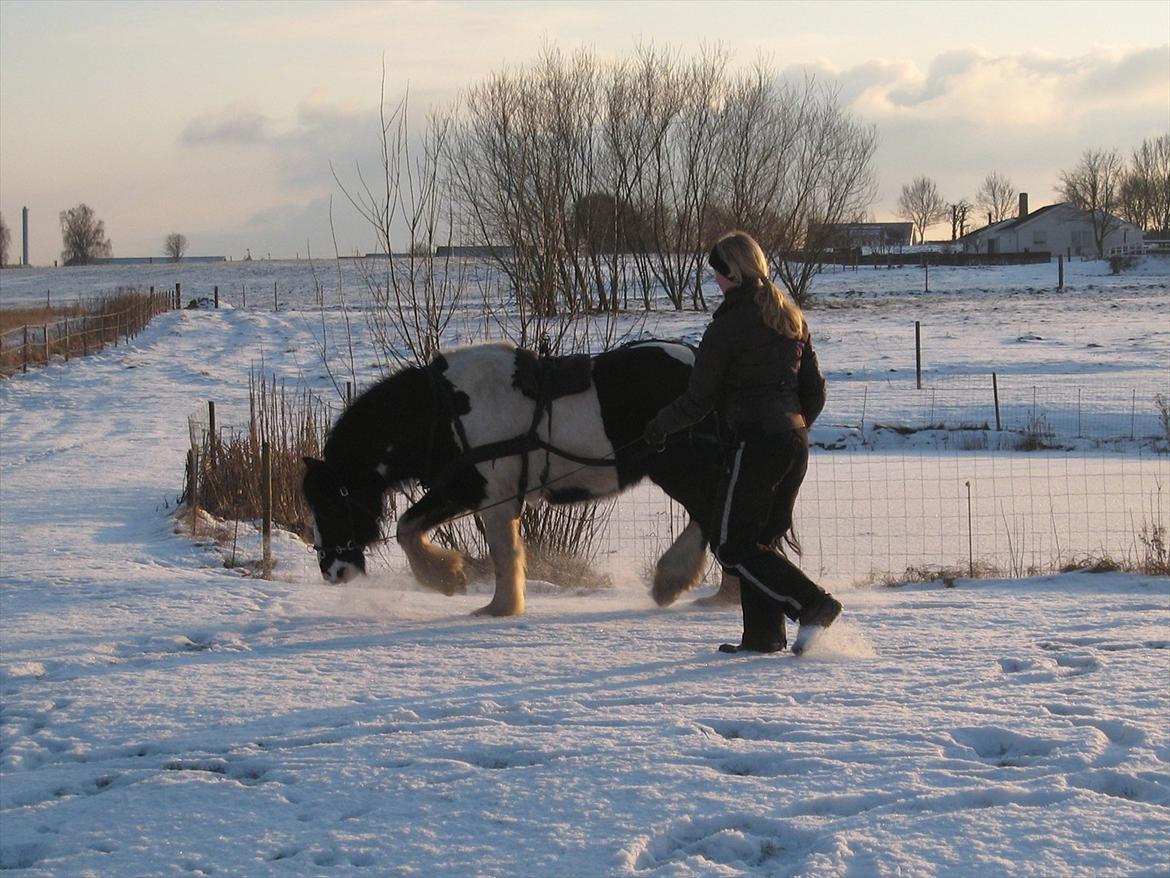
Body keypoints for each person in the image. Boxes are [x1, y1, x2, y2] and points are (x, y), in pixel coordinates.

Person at [643, 230, 842, 654]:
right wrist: (793, 426)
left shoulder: (729, 325)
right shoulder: (790, 315)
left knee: (733, 545)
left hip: (758, 445)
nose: (714, 281)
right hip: (794, 443)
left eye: (716, 273)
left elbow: (699, 399)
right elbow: (816, 393)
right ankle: (763, 636)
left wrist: (658, 426)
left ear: (731, 272)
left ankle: (814, 604)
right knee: (760, 543)